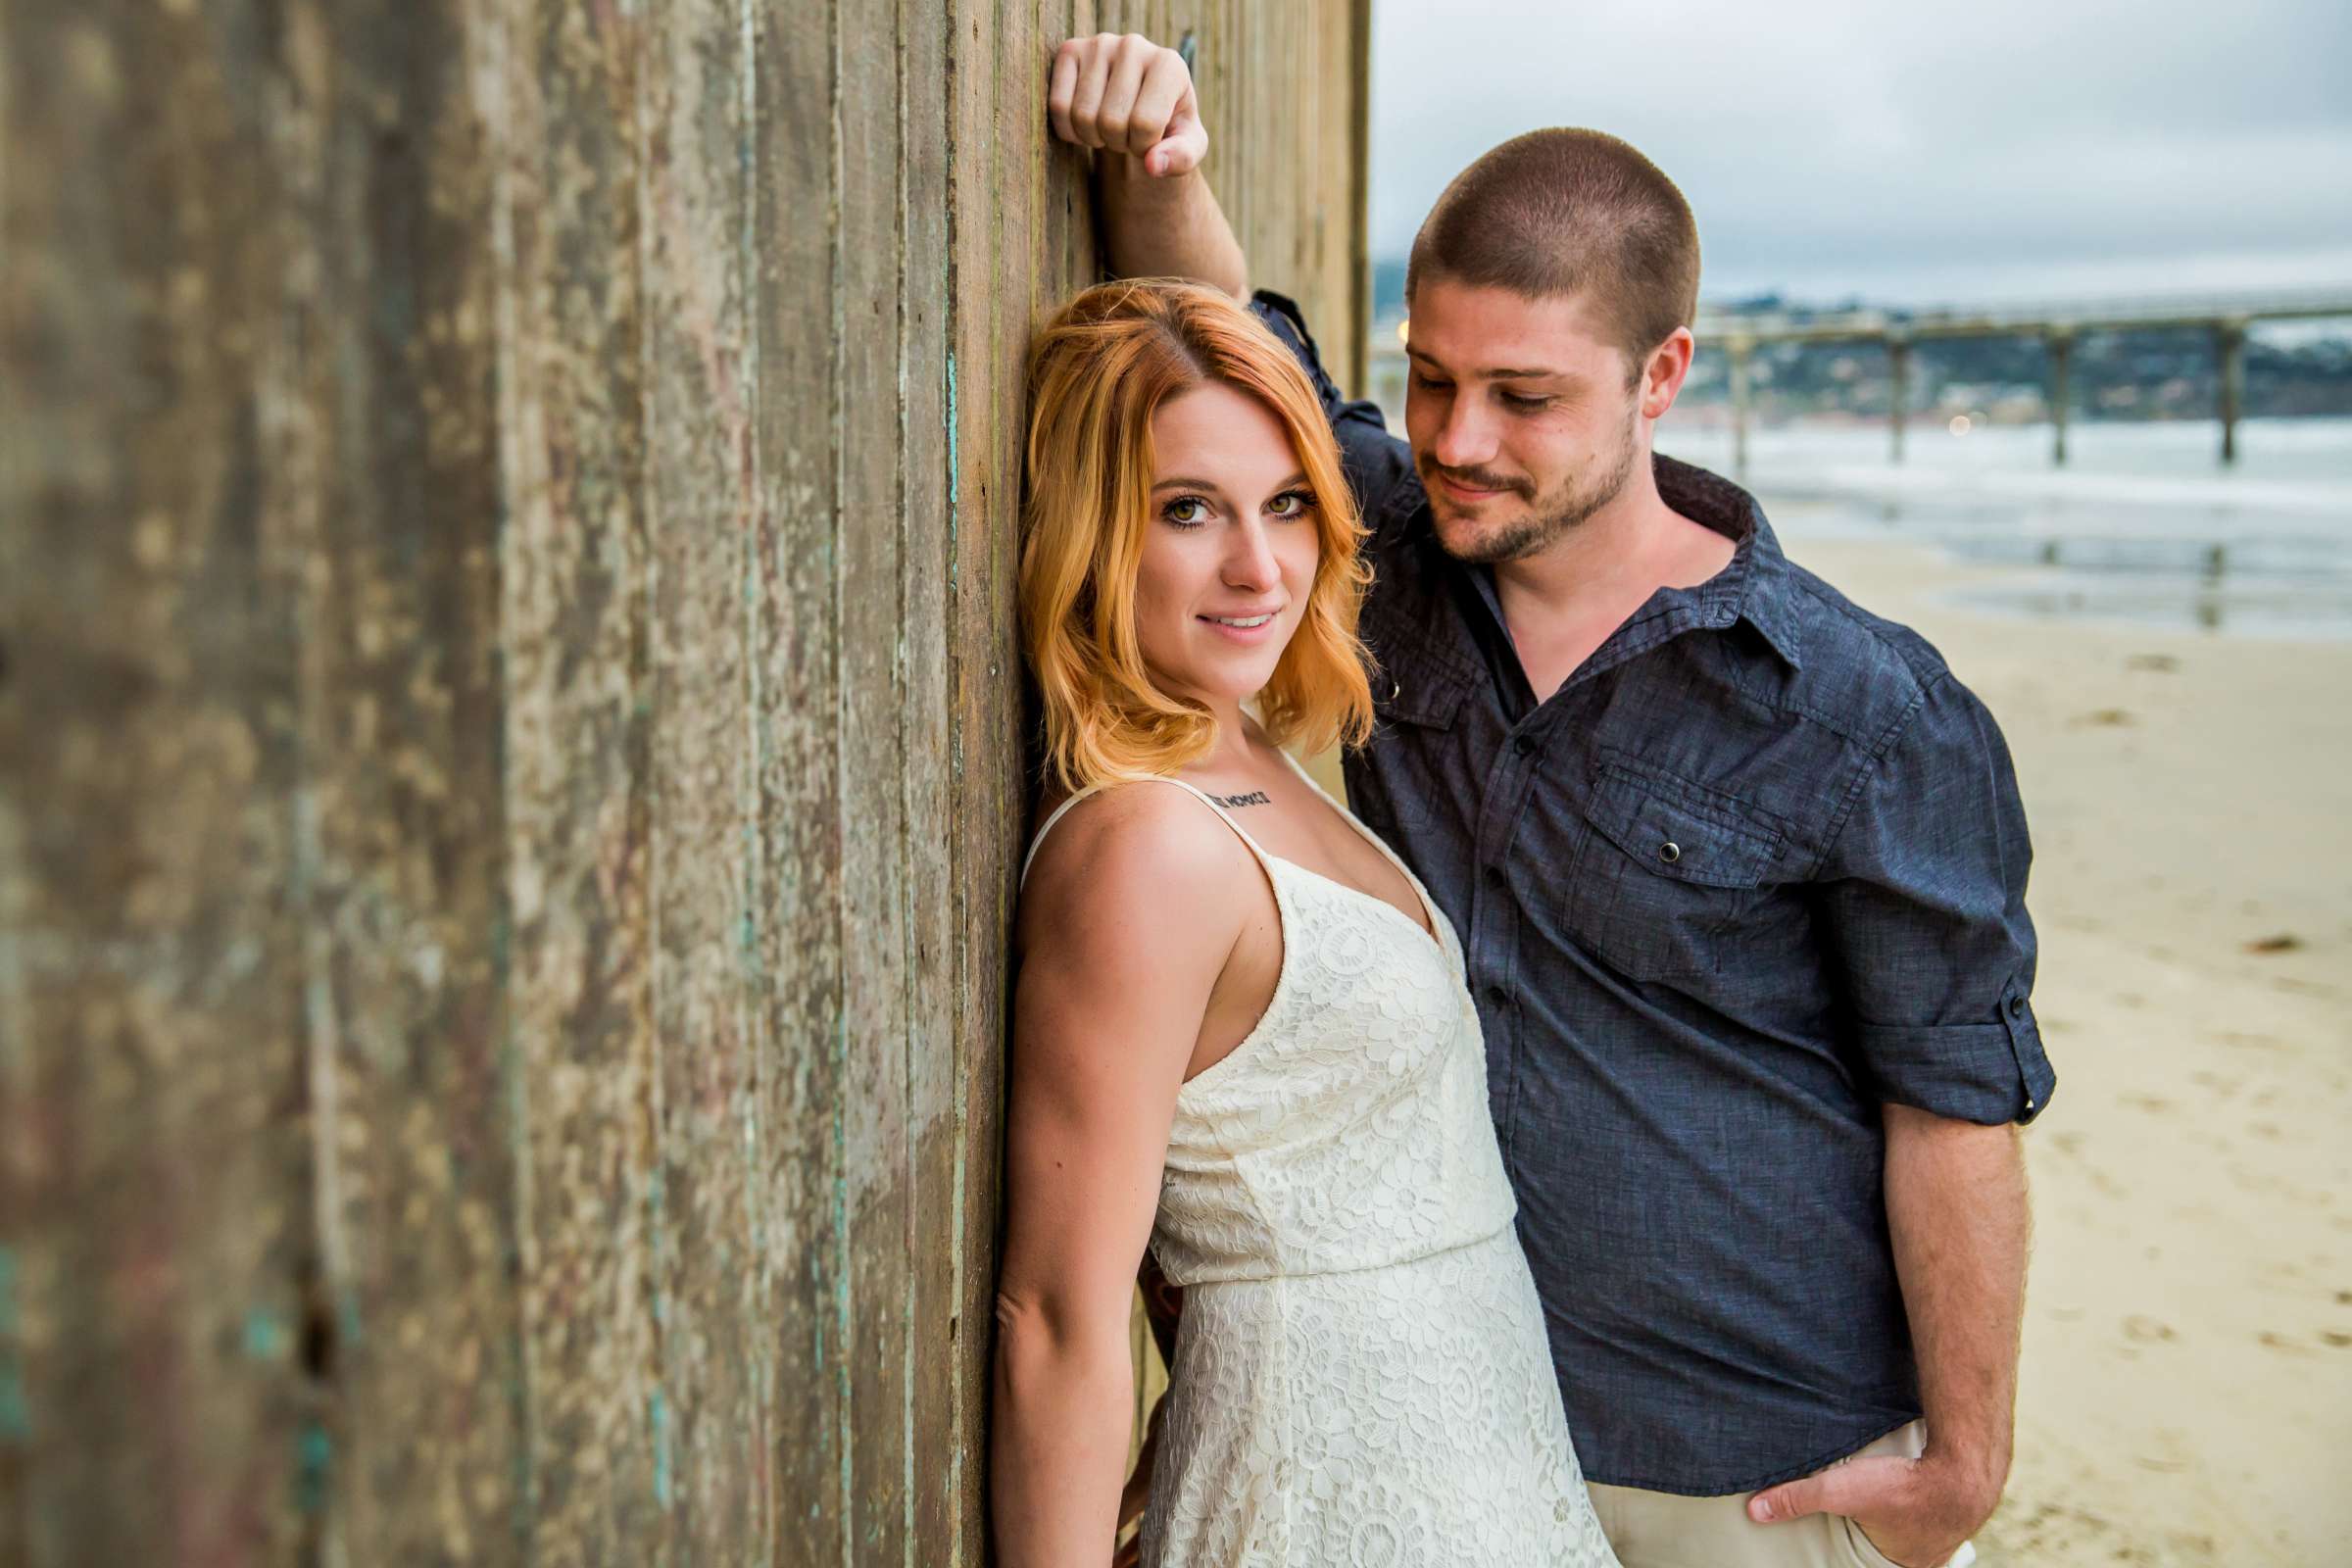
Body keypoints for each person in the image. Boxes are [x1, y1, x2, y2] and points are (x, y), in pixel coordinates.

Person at [1049, 31, 2056, 1568]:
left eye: (1524, 397)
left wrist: (1965, 1462)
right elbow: (1233, 357)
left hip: (1762, 1469)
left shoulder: (1863, 710)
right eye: (1432, 381)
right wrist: (1159, 156)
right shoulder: (1380, 547)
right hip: (1458, 1441)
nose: (1458, 441)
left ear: (1663, 377)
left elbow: (1957, 1109)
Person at [990, 279, 1620, 1568]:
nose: (1257, 566)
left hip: (1477, 1462)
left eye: (1285, 503)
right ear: (1095, 532)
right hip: (1323, 1497)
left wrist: (1160, 160)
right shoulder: (1146, 847)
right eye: (1186, 511)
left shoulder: (1260, 753)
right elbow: (1058, 1315)